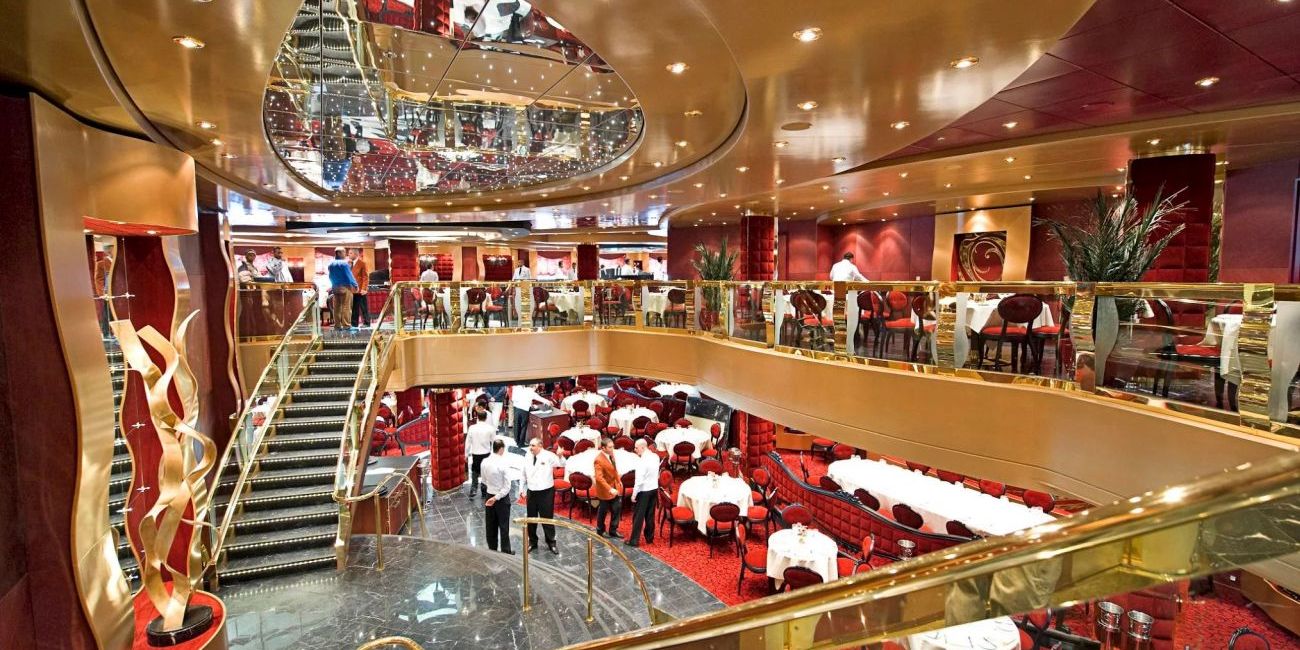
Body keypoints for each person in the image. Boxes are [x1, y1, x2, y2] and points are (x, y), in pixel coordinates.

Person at [523, 438, 560, 554]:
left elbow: (560, 463)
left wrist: (560, 455)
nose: (531, 448)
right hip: (532, 491)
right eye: (530, 445)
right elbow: (523, 473)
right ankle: (532, 541)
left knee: (547, 518)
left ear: (540, 446)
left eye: (533, 445)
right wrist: (521, 489)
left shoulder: (549, 455)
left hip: (546, 492)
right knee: (531, 518)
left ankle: (551, 542)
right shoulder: (527, 455)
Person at [480, 440, 514, 554]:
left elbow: (484, 480)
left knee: (490, 526)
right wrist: (497, 497)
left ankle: (492, 551)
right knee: (504, 527)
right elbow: (507, 486)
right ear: (501, 449)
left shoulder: (484, 462)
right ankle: (506, 551)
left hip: (489, 495)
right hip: (502, 499)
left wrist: (492, 493)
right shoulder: (504, 463)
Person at [625, 438, 660, 547]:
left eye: (636, 448)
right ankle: (649, 538)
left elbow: (639, 481)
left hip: (644, 491)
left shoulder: (641, 462)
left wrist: (634, 495)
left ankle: (634, 541)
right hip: (654, 489)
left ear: (643, 447)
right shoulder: (656, 457)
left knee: (638, 517)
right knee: (650, 515)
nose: (635, 450)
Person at [593, 438, 621, 538]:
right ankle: (600, 530)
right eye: (610, 447)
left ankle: (613, 530)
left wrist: (618, 481)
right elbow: (599, 478)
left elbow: (614, 469)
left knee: (616, 509)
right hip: (605, 490)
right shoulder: (598, 460)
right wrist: (609, 489)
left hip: (615, 487)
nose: (612, 449)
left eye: (613, 446)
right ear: (603, 448)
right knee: (603, 511)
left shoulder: (611, 454)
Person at [466, 410, 496, 498]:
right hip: (486, 453)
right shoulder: (490, 428)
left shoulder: (472, 428)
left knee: (475, 471)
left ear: (477, 417)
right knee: (485, 472)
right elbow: (494, 442)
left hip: (476, 453)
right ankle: (484, 490)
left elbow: (468, 442)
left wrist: (466, 454)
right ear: (486, 418)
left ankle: (474, 488)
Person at [327, 247, 358, 331]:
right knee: (346, 307)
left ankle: (337, 326)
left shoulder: (331, 264)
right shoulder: (344, 264)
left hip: (335, 287)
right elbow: (349, 276)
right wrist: (355, 285)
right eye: (344, 252)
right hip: (345, 287)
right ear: (339, 253)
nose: (345, 254)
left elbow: (330, 276)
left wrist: (334, 284)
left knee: (336, 307)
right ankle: (346, 326)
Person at [348, 248, 370, 328]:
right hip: (352, 290)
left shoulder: (362, 263)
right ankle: (354, 324)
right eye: (349, 253)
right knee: (354, 308)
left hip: (360, 290)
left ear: (356, 254)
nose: (349, 255)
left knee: (363, 307)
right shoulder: (349, 264)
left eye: (350, 253)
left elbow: (365, 277)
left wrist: (364, 288)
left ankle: (367, 323)